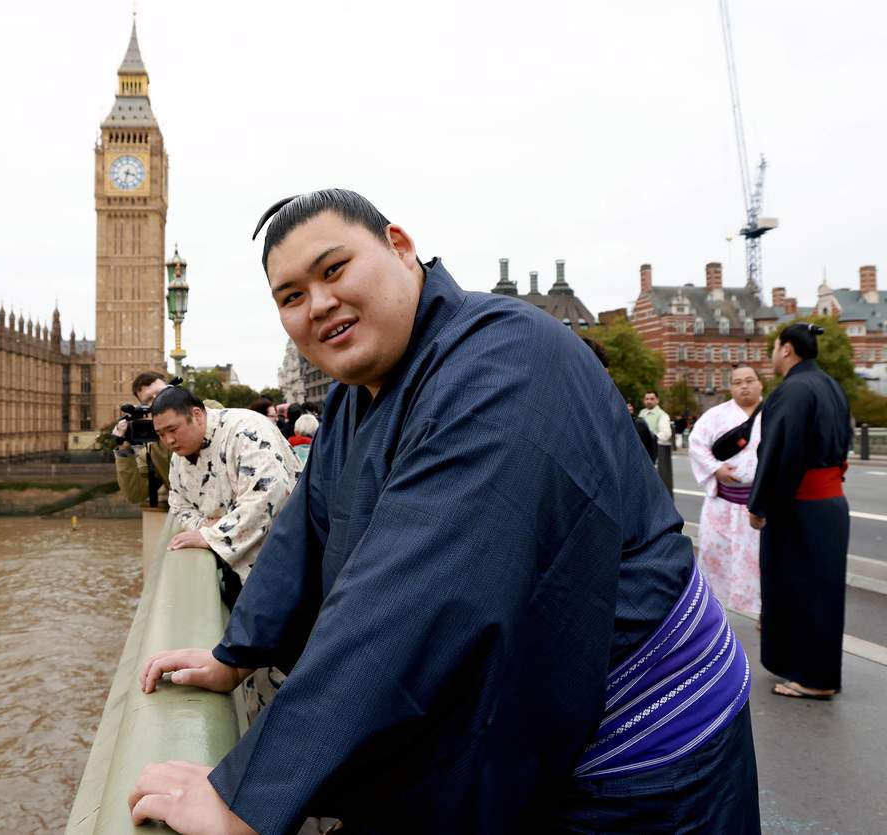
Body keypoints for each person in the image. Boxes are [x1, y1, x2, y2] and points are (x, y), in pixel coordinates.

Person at [129, 189, 757, 834]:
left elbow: (409, 597)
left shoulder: (504, 360)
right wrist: (237, 652)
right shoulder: (353, 397)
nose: (318, 303)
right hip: (543, 726)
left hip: (641, 749)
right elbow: (306, 535)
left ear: (400, 248)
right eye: (291, 297)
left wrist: (247, 799)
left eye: (334, 269)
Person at [748, 323, 852, 701]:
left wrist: (759, 503)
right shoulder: (830, 385)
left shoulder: (793, 390)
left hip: (800, 505)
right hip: (830, 502)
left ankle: (814, 679)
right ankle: (810, 670)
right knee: (821, 590)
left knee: (803, 591)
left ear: (788, 349)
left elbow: (778, 452)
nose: (773, 354)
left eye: (775, 347)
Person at [152, 385, 301, 583]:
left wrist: (214, 535)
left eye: (172, 430)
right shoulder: (180, 454)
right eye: (160, 434)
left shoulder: (247, 428)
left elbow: (270, 493)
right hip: (234, 571)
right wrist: (205, 526)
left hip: (284, 562)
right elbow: (178, 502)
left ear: (197, 415)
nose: (168, 441)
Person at [689, 366, 764, 615]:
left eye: (749, 381)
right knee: (716, 558)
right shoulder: (715, 415)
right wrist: (715, 468)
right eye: (738, 382)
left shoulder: (774, 413)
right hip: (722, 503)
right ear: (730, 387)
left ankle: (765, 612)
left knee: (761, 562)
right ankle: (714, 613)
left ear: (760, 384)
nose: (744, 386)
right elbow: (696, 444)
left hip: (759, 504)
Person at [112, 371, 171, 507]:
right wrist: (124, 449)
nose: (157, 400)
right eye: (149, 399)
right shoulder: (152, 450)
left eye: (161, 392)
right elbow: (135, 494)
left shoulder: (206, 410)